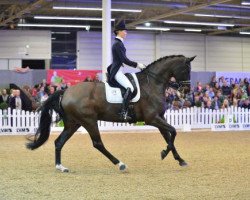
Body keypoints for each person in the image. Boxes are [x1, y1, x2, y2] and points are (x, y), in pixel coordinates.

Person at [108, 19, 146, 121]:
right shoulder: (117, 44)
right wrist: (137, 65)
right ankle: (123, 112)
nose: (126, 33)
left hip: (119, 70)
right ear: (119, 31)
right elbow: (124, 60)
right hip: (116, 71)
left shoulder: (119, 43)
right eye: (124, 31)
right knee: (130, 88)